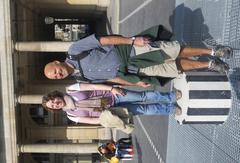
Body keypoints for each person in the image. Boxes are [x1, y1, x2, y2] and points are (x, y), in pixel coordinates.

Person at [44, 28, 232, 88]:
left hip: (130, 52)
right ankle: (210, 64)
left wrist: (133, 40)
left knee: (173, 51)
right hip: (133, 71)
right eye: (55, 77)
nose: (58, 74)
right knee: (174, 68)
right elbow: (111, 79)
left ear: (56, 62)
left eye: (55, 71)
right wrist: (135, 83)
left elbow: (105, 40)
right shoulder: (80, 78)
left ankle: (213, 52)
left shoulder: (75, 50)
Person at [41, 83, 182, 124]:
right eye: (53, 106)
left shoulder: (71, 89)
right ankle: (171, 110)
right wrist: (112, 120)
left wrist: (112, 88)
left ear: (55, 96)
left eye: (53, 101)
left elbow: (93, 87)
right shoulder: (71, 115)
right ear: (55, 109)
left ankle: (171, 96)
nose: (55, 104)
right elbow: (93, 120)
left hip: (113, 96)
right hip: (113, 112)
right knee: (143, 110)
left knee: (143, 96)